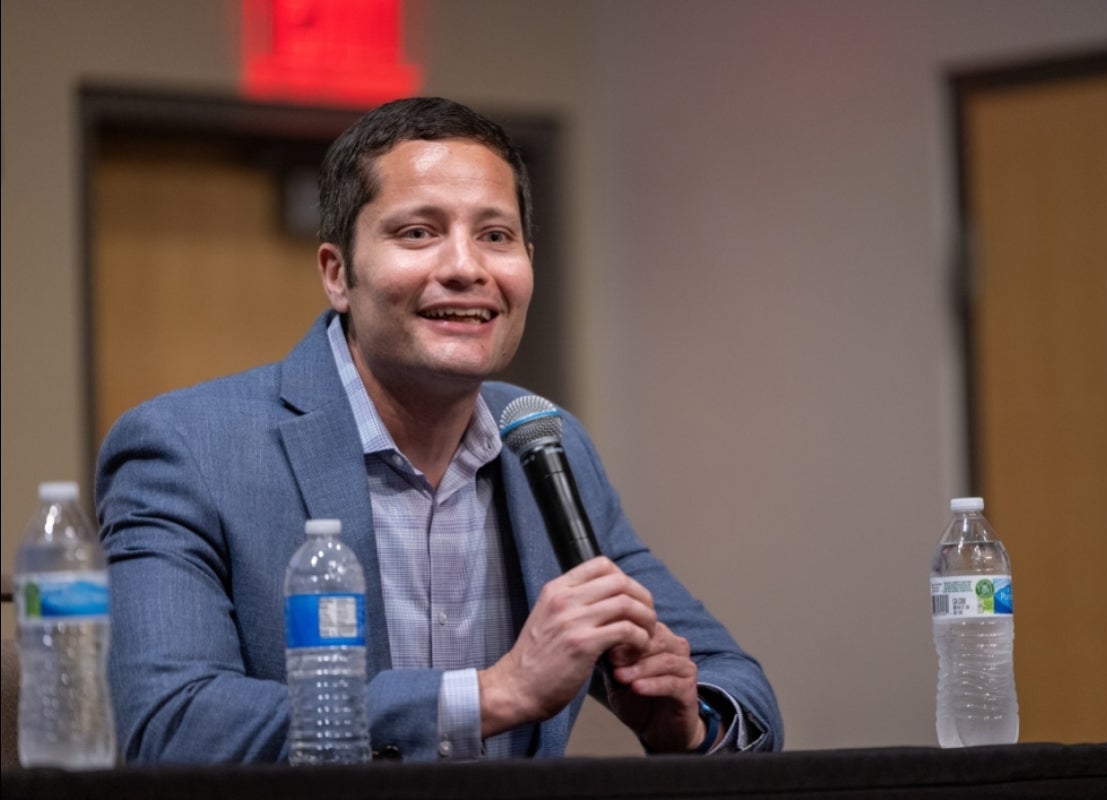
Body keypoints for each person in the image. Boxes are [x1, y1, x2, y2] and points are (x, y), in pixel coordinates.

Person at [96, 96, 782, 763]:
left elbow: (734, 685)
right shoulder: (186, 450)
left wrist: (687, 730)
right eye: (418, 232)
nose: (465, 267)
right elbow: (170, 726)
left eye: (496, 236)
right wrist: (489, 696)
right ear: (338, 274)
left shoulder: (545, 444)